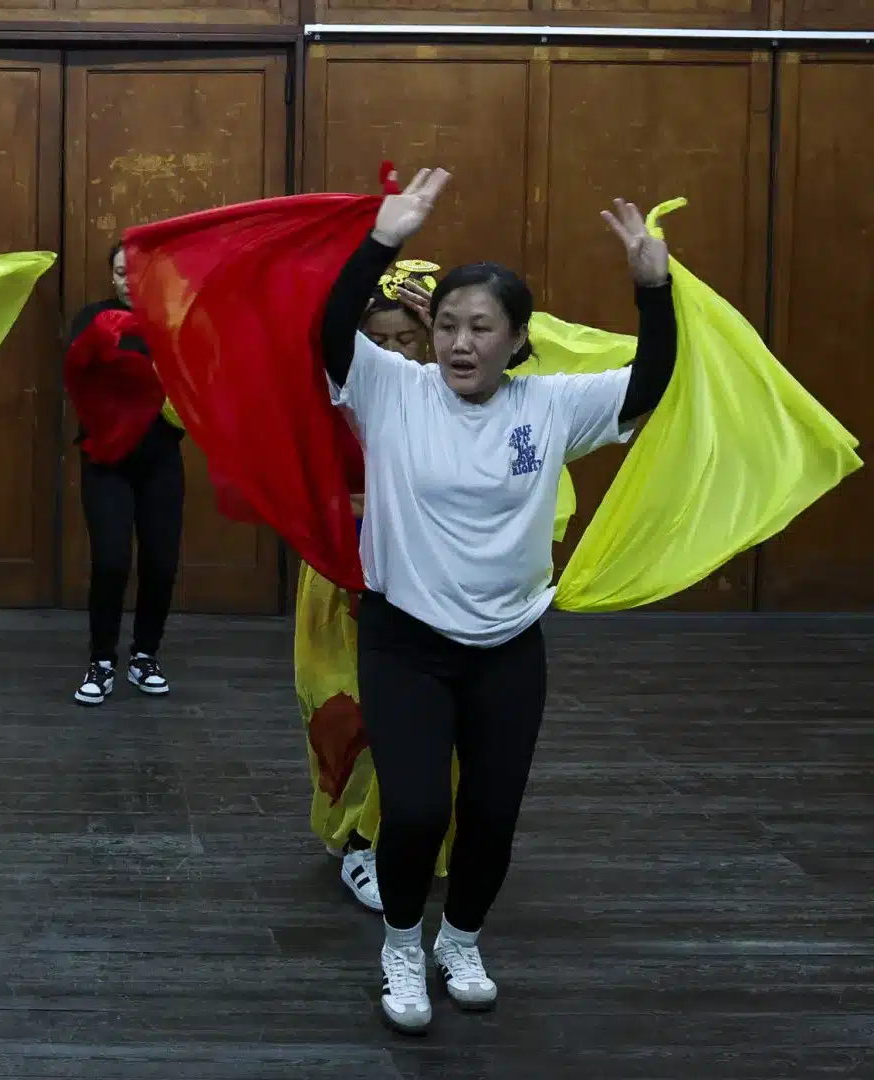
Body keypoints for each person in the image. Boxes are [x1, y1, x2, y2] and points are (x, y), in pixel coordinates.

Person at [321, 169, 675, 1034]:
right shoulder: (391, 390)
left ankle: (462, 937)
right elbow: (329, 330)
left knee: (493, 812)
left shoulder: (550, 404)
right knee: (414, 809)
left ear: (517, 340)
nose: (459, 343)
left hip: (509, 646)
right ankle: (402, 943)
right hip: (404, 638)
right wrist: (383, 241)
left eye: (482, 327)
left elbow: (650, 383)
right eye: (447, 326)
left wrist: (652, 290)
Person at [300, 260, 440, 914]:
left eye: (403, 340)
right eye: (375, 341)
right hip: (341, 571)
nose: (389, 352)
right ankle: (350, 821)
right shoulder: (340, 393)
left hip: (425, 574)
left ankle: (371, 841)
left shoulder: (459, 400)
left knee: (411, 717)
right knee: (338, 705)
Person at [64, 241, 184, 705]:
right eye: (119, 273)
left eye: (136, 274)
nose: (127, 282)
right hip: (106, 462)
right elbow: (79, 370)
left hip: (160, 461)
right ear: (110, 277)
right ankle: (101, 660)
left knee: (160, 562)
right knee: (112, 561)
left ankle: (144, 656)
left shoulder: (175, 319)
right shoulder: (93, 317)